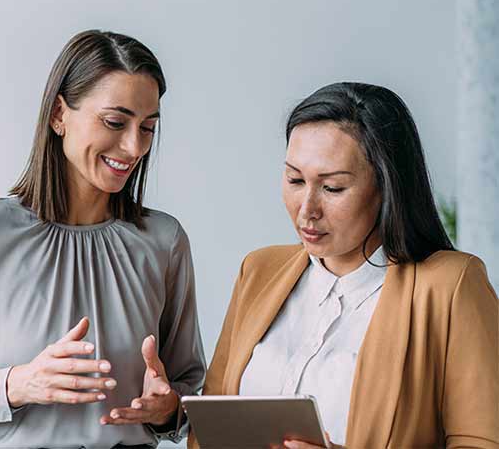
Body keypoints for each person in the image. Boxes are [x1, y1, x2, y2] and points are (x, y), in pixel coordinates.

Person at [0, 30, 205, 448]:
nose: (134, 146)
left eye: (148, 127)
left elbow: (191, 390)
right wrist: (15, 385)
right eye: (115, 122)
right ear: (59, 114)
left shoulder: (164, 241)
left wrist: (170, 408)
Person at [190, 82, 498, 448]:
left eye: (332, 188)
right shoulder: (258, 270)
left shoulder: (451, 285)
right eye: (294, 180)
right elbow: (209, 426)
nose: (307, 209)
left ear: (387, 186)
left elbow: (482, 441)